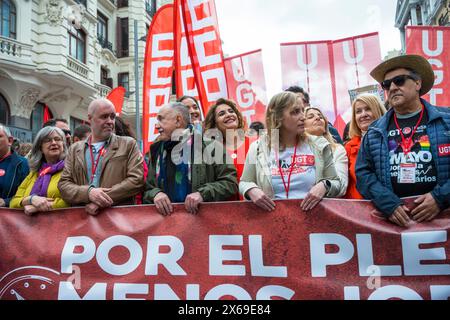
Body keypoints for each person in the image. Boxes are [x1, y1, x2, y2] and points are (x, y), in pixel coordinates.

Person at [356, 54, 450, 227]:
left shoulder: (447, 120)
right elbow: (363, 174)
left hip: (445, 221)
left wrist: (440, 198)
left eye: (399, 80)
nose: (392, 87)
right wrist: (388, 204)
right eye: (386, 84)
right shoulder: (375, 131)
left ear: (417, 84)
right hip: (397, 227)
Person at [239, 91, 340, 212]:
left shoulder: (319, 145)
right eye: (295, 112)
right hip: (272, 223)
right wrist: (251, 190)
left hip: (314, 222)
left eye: (302, 110)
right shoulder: (257, 148)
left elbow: (336, 182)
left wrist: (324, 185)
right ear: (278, 117)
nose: (303, 117)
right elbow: (244, 182)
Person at [143, 102, 238, 215]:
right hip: (167, 227)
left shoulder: (211, 147)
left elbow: (230, 182)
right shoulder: (155, 151)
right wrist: (155, 194)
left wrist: (202, 194)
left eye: (161, 119)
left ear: (178, 120)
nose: (157, 126)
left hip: (203, 224)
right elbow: (147, 188)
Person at [58, 99, 144, 216]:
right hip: (81, 220)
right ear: (90, 118)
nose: (110, 121)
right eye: (104, 117)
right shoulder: (74, 149)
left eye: (112, 117)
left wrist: (101, 200)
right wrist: (88, 193)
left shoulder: (128, 144)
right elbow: (63, 185)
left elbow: (136, 180)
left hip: (119, 221)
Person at [10, 127, 69, 214]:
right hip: (32, 226)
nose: (53, 143)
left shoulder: (70, 169)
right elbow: (13, 202)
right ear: (40, 148)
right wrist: (31, 199)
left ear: (63, 145)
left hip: (62, 224)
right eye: (47, 140)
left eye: (57, 139)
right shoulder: (34, 173)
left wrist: (39, 207)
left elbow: (72, 200)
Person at [204, 98, 254, 199]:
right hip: (226, 210)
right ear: (215, 124)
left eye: (231, 111)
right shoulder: (212, 150)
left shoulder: (255, 143)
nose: (228, 114)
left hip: (257, 207)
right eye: (221, 114)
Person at [344, 94, 386, 199]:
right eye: (358, 111)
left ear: (379, 111)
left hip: (392, 207)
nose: (363, 114)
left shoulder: (391, 139)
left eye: (368, 109)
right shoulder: (348, 148)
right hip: (359, 211)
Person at [304, 107, 348, 197]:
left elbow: (342, 186)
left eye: (320, 116)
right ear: (301, 124)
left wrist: (325, 186)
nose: (318, 118)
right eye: (310, 117)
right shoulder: (295, 150)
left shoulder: (337, 150)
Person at [0, 125, 29, 208]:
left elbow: (29, 193)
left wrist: (6, 202)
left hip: (9, 217)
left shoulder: (24, 165)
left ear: (10, 141)